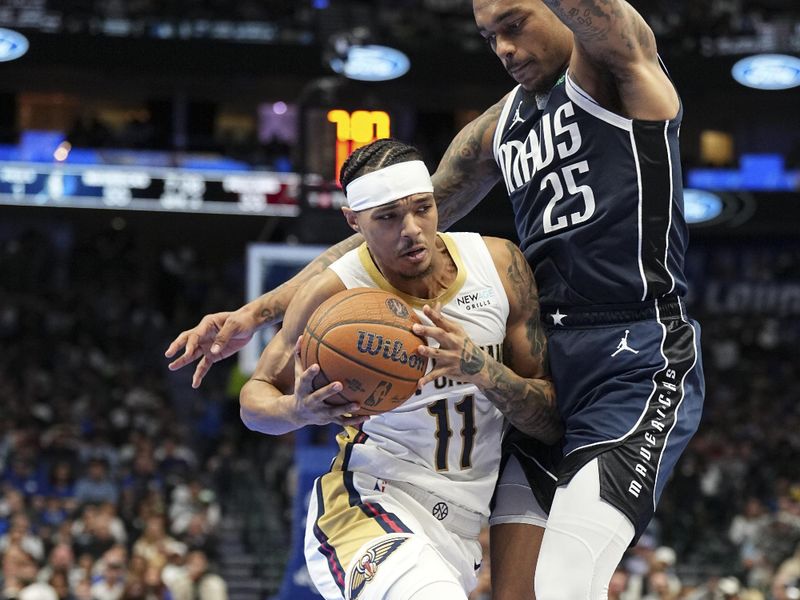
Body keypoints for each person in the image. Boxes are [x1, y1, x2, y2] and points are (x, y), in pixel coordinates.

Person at [165, 0, 706, 597]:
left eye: (514, 24)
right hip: (546, 368)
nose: (502, 48)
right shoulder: (500, 126)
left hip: (631, 352)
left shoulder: (618, 61)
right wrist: (255, 312)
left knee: (568, 581)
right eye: (488, 35)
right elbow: (371, 241)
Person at [237, 138, 562, 600]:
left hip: (463, 529)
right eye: (387, 217)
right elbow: (254, 403)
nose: (412, 229)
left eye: (423, 209)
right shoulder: (332, 293)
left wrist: (480, 369)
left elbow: (549, 421)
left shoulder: (498, 265)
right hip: (368, 503)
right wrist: (298, 411)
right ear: (354, 222)